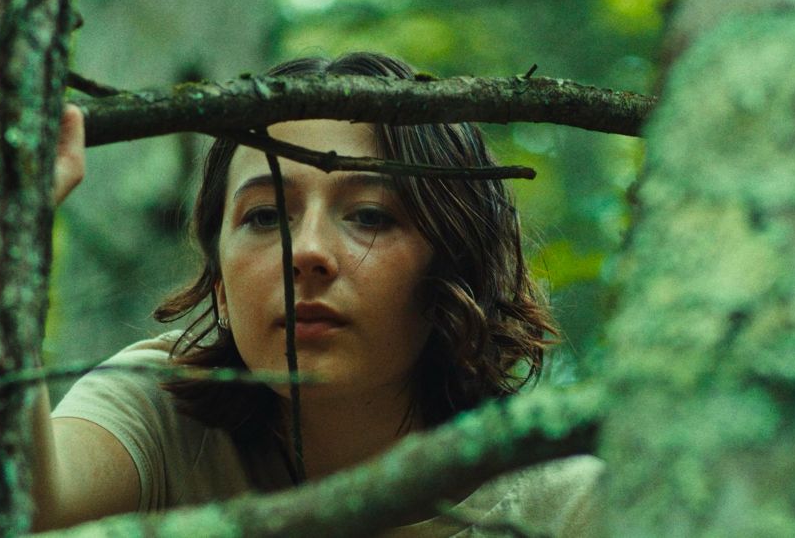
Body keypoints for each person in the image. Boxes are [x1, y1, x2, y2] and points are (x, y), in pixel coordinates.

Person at [33, 52, 602, 535]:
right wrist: (15, 234)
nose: (305, 252)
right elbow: (24, 498)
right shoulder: (163, 411)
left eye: (371, 216)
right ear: (219, 283)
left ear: (457, 270)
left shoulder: (573, 507)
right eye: (263, 216)